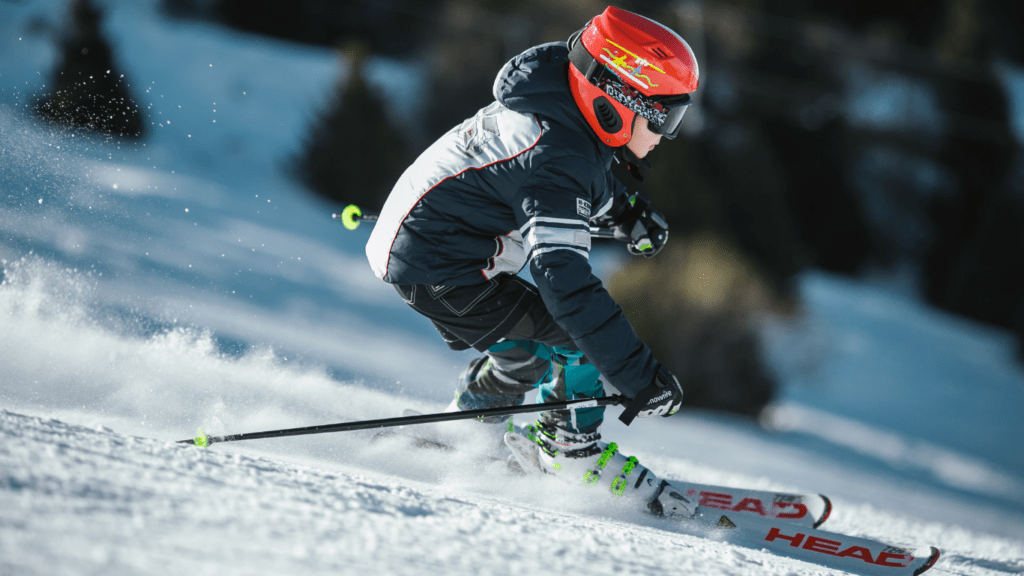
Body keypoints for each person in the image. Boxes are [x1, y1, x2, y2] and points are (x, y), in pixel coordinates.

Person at [365, 6, 700, 511]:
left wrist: (627, 213)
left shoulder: (559, 110)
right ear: (619, 100)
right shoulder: (554, 157)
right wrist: (638, 377)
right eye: (664, 116)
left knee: (527, 351)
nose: (665, 135)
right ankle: (572, 451)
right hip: (440, 267)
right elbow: (563, 283)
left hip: (433, 250)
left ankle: (467, 428)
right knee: (576, 340)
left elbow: (583, 179)